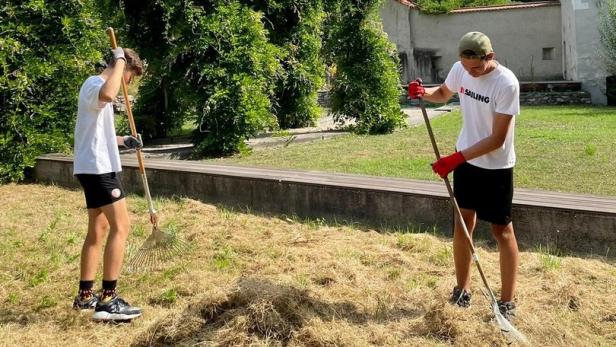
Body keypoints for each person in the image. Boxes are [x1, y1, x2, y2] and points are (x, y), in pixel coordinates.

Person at [408, 31, 520, 321]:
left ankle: (507, 301)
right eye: (466, 67)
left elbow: (497, 139)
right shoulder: (461, 69)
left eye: (476, 68)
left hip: (496, 166)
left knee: (501, 230)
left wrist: (455, 159)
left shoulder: (506, 84)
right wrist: (424, 93)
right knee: (463, 223)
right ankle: (462, 290)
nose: (470, 73)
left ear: (490, 57)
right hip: (467, 162)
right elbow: (444, 93)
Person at [72, 46, 144, 321]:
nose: (129, 83)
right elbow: (109, 93)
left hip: (95, 166)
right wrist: (120, 61)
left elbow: (96, 135)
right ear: (121, 68)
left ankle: (85, 296)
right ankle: (108, 300)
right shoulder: (96, 84)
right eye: (130, 76)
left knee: (99, 229)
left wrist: (124, 141)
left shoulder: (97, 90)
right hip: (98, 170)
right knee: (122, 226)